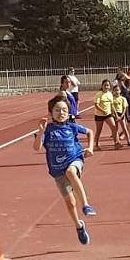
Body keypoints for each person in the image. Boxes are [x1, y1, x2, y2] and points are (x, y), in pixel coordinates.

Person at [33, 95, 96, 245]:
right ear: (50, 113)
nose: (61, 113)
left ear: (68, 113)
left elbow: (90, 132)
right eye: (57, 110)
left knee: (71, 172)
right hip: (57, 170)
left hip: (75, 160)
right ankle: (79, 226)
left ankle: (86, 205)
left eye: (64, 110)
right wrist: (41, 131)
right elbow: (36, 148)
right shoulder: (47, 130)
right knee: (70, 203)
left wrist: (91, 147)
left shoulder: (72, 127)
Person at [92, 79, 118, 151]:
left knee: (114, 127)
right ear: (102, 86)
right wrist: (103, 111)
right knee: (99, 130)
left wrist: (115, 114)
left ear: (109, 86)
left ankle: (116, 143)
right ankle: (96, 145)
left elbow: (112, 105)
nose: (106, 87)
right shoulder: (99, 94)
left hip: (108, 114)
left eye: (108, 85)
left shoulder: (110, 94)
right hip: (99, 115)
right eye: (105, 85)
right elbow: (96, 105)